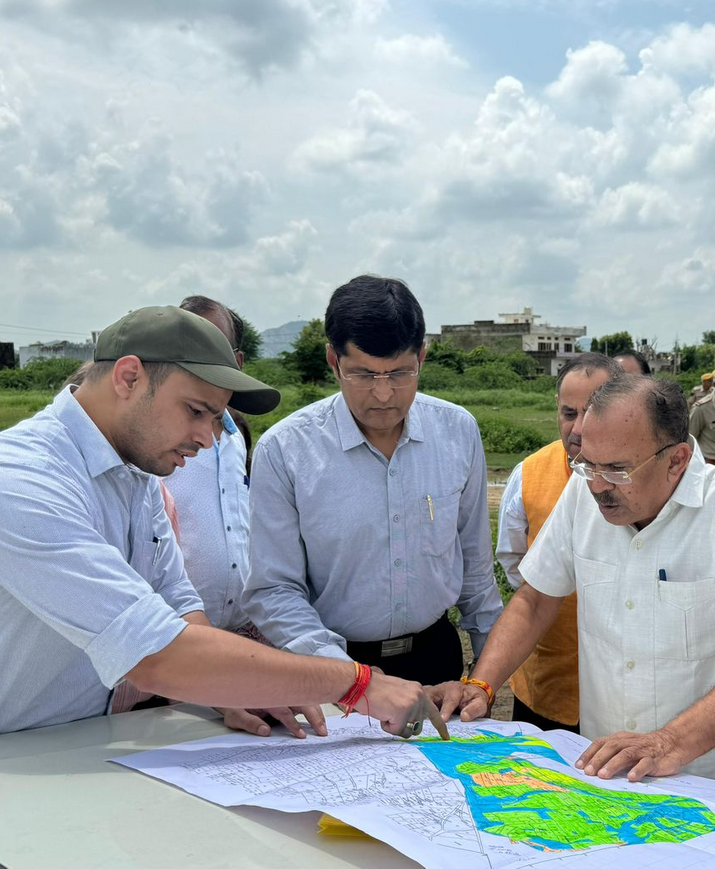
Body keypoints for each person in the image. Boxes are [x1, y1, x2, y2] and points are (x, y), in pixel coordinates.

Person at [0, 306, 431, 738]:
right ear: (128, 378)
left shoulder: (136, 476)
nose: (208, 439)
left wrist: (232, 688)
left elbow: (178, 603)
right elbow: (155, 655)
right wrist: (356, 683)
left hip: (73, 743)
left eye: (216, 419)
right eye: (195, 411)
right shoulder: (23, 480)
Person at [433, 374, 715, 797]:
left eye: (617, 469)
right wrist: (481, 686)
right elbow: (536, 599)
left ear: (677, 459)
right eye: (587, 462)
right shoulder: (584, 493)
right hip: (608, 775)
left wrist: (668, 742)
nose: (596, 485)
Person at [244, 276, 503, 685]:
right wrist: (352, 680)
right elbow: (274, 589)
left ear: (422, 357)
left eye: (400, 373)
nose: (384, 395)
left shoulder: (457, 432)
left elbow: (475, 572)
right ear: (334, 361)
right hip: (331, 664)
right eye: (363, 375)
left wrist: (485, 679)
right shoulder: (285, 451)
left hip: (436, 660)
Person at [496, 352, 622, 732]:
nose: (579, 428)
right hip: (547, 681)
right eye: (569, 413)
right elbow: (514, 561)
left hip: (624, 691)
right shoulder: (529, 473)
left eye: (594, 412)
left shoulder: (651, 480)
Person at [162, 296, 253, 634]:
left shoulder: (236, 434)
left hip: (241, 629)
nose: (198, 365)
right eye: (186, 352)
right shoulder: (153, 441)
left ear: (237, 362)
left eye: (212, 350)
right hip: (176, 634)